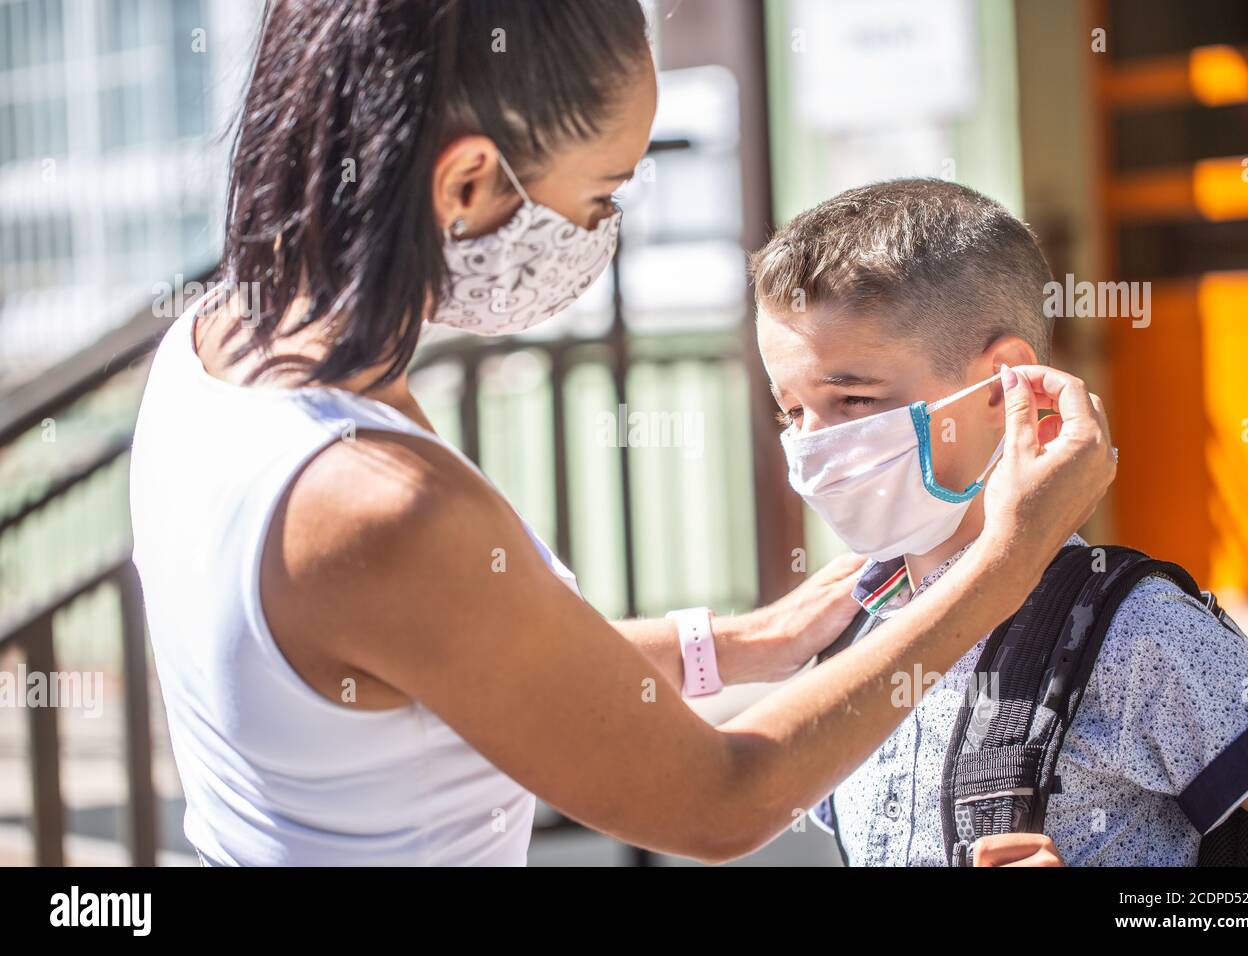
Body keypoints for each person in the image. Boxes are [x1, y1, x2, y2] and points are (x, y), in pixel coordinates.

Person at [128, 0, 1112, 866]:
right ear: (469, 182)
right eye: (599, 195)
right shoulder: (381, 503)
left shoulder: (213, 350)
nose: (604, 235)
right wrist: (1006, 561)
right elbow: (720, 797)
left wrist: (740, 642)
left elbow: (470, 663)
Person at [751, 177, 1248, 866]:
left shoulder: (1137, 632)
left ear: (1005, 381)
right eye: (791, 411)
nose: (814, 444)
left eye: (855, 399)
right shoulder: (847, 641)